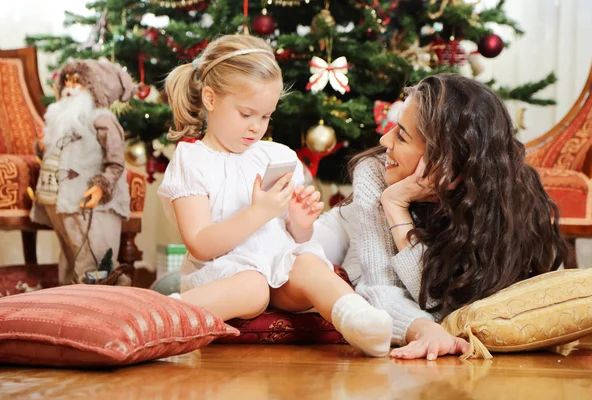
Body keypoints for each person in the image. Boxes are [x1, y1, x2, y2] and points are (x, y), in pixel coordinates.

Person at [158, 34, 393, 357]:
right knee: (253, 287)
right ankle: (167, 313)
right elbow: (200, 243)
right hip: (227, 276)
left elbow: (292, 239)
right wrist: (258, 212)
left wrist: (300, 223)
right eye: (246, 114)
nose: (256, 127)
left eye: (266, 116)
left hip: (280, 271)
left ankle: (359, 319)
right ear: (210, 99)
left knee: (308, 263)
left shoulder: (276, 156)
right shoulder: (192, 160)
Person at [313, 73, 569, 360]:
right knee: (284, 260)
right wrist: (394, 203)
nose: (384, 139)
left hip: (363, 259)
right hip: (343, 239)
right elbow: (381, 287)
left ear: (447, 159)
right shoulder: (374, 172)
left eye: (401, 136)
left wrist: (397, 209)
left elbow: (445, 307)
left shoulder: (512, 203)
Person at [31, 59, 134, 285]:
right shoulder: (63, 121)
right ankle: (70, 304)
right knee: (71, 257)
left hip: (89, 204)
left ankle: (103, 304)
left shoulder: (102, 119)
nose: (69, 87)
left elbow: (116, 162)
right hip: (62, 203)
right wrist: (42, 146)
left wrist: (102, 185)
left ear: (95, 87)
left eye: (78, 82)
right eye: (67, 81)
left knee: (95, 260)